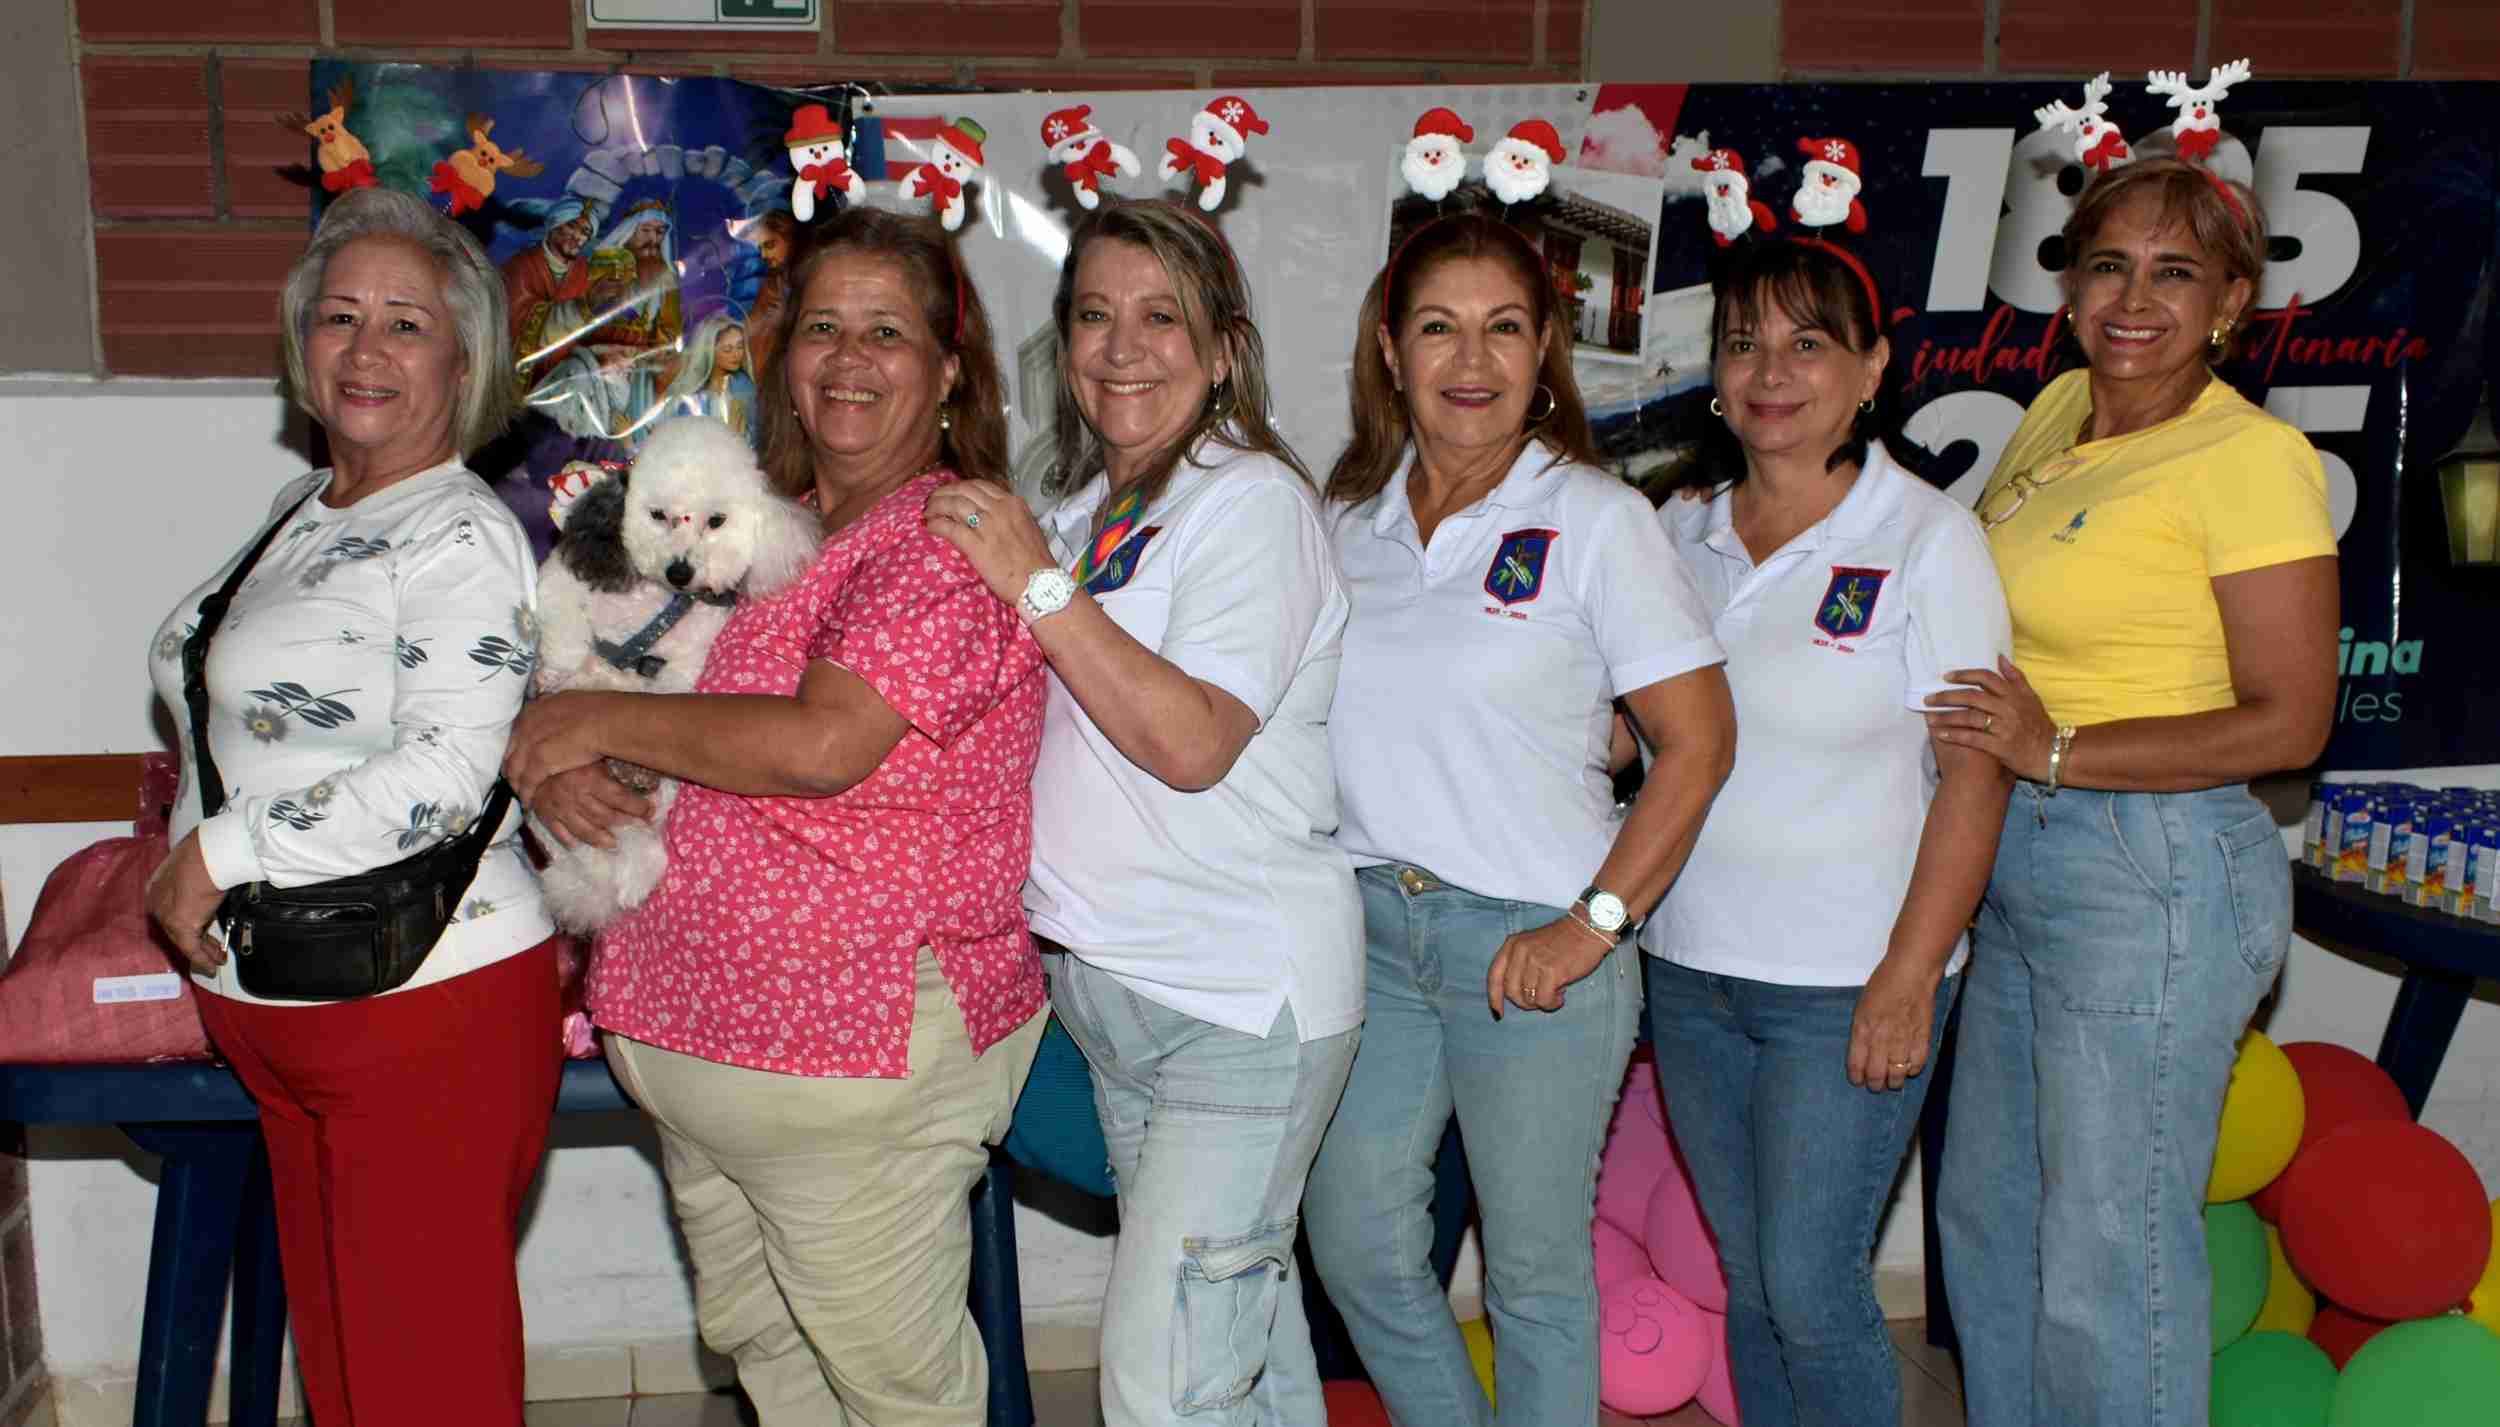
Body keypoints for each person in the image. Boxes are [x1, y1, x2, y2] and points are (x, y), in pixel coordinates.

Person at [504, 207, 1048, 1427]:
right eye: (821, 328)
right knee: (778, 1362)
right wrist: (567, 761)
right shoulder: (776, 530)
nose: (848, 359)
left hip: (854, 1057)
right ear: (782, 355)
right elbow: (664, 710)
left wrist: (595, 732)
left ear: (950, 369)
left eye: (888, 332)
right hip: (714, 1052)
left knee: (895, 1392)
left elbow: (819, 745)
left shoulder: (944, 540)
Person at [922, 197, 1361, 1427]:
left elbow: (1188, 740)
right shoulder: (1077, 513)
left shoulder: (1251, 504)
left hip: (1237, 1003)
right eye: (1095, 317)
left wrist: (1033, 582)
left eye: (1161, 317)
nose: (1123, 348)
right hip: (1119, 1001)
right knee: (1247, 1356)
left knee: (1162, 1384)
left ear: (1224, 345)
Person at [1303, 211, 1738, 1427]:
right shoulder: (1349, 526)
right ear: (1390, 351)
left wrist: (1593, 924)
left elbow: (1698, 741)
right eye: (1437, 328)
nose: (1470, 360)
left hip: (1540, 944)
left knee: (1536, 1276)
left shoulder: (1597, 519)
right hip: (1373, 935)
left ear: (1544, 346)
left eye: (1503, 329)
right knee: (1355, 1242)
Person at [1927, 158, 2339, 1427]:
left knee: (2112, 1254)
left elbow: (2292, 720)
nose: (2133, 298)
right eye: (2107, 264)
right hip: (2018, 849)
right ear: (2067, 285)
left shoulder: (2250, 456)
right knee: (1988, 1220)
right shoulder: (2058, 408)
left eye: (2174, 271)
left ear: (2229, 299)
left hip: (2151, 865)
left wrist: (2058, 750)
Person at [141, 185, 553, 1426]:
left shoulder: (459, 537)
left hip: (423, 1007)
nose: (364, 348)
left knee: (427, 1384)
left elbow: (445, 776)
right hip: (296, 1008)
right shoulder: (305, 510)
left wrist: (216, 853)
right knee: (355, 1377)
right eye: (337, 316)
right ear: (299, 344)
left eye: (406, 324)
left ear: (466, 360)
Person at [1646, 237, 2013, 1427]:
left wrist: (1910, 975)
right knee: (1751, 1282)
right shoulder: (1675, 532)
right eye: (1744, 342)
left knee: (1811, 1286)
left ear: (1871, 369)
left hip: (1847, 983)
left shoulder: (1927, 539)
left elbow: (1974, 775)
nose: (1771, 371)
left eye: (1808, 343)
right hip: (1690, 967)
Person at [664, 314, 758, 442]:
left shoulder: (744, 387)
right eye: (727, 349)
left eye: (740, 347)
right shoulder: (693, 394)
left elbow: (756, 432)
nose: (736, 354)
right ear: (710, 351)